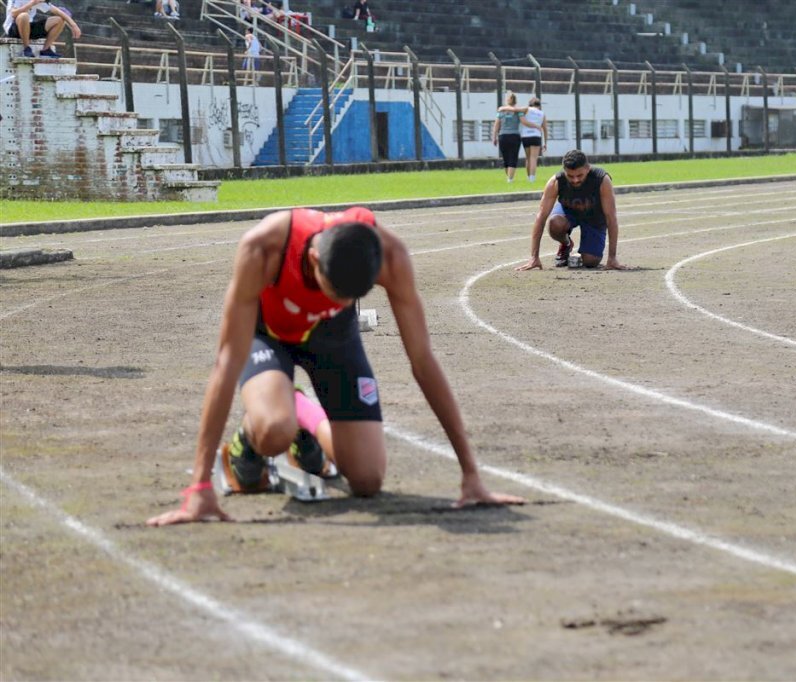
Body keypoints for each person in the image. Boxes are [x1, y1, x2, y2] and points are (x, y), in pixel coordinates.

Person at [147, 206, 524, 527]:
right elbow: (227, 361)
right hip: (268, 334)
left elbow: (422, 361)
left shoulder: (389, 254)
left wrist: (471, 475)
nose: (342, 299)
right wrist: (198, 488)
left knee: (367, 480)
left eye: (352, 297)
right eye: (335, 292)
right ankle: (262, 426)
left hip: (333, 335)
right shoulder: (263, 248)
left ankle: (303, 415)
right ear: (313, 260)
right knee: (275, 431)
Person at [516, 149, 626, 271]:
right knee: (554, 223)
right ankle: (566, 244)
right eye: (570, 176)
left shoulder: (602, 180)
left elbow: (611, 218)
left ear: (587, 169)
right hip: (569, 213)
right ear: (564, 171)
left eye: (579, 175)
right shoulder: (556, 181)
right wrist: (534, 257)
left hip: (594, 218)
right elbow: (541, 216)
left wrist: (612, 258)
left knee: (590, 261)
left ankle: (587, 251)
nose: (575, 180)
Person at [4, 0, 80, 58]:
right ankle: (26, 48)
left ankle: (45, 50)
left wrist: (73, 25)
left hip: (29, 28)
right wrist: (32, 3)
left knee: (59, 20)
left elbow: (57, 11)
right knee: (24, 16)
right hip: (13, 29)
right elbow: (14, 14)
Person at [492, 92, 525, 183]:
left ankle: (509, 177)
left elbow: (496, 125)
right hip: (514, 136)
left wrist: (494, 137)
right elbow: (523, 121)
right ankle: (510, 178)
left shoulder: (501, 112)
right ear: (515, 100)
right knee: (513, 157)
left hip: (503, 136)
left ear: (507, 100)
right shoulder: (518, 111)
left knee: (505, 157)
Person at [518, 97, 547, 183]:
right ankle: (532, 178)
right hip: (536, 136)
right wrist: (545, 142)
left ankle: (528, 177)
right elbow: (545, 128)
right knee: (533, 158)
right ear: (539, 105)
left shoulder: (526, 110)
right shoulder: (542, 113)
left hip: (525, 136)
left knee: (528, 158)